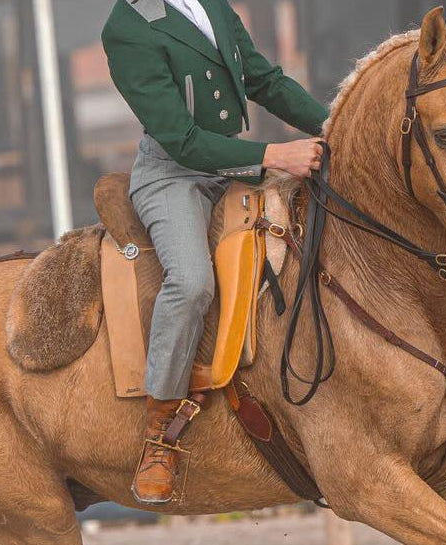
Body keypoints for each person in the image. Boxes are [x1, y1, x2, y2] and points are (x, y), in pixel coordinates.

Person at [102, 0, 328, 504]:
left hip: (233, 164)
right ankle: (159, 434)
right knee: (191, 282)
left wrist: (337, 125)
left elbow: (265, 81)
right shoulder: (126, 27)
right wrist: (275, 154)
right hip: (174, 174)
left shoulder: (212, 5)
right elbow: (182, 142)